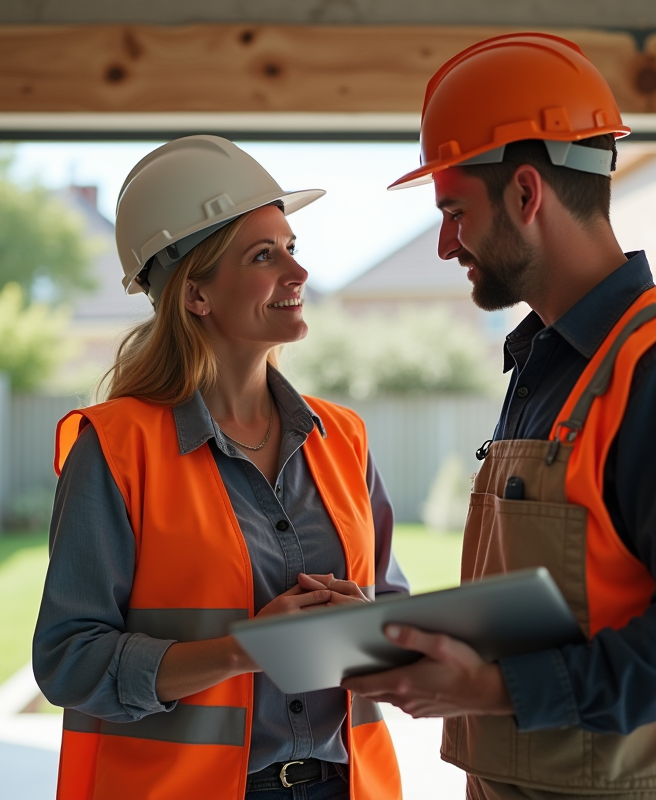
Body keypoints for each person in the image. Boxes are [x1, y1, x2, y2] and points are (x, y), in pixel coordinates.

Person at [343, 33, 656, 800]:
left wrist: (490, 688)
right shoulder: (549, 363)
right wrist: (392, 634)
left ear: (527, 194)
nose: (447, 242)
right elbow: (569, 600)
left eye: (454, 210)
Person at [33, 135, 408, 800]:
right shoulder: (115, 449)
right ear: (196, 294)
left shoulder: (342, 437)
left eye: (292, 248)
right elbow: (69, 661)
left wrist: (367, 630)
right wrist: (247, 648)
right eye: (264, 256)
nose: (298, 274)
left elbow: (393, 618)